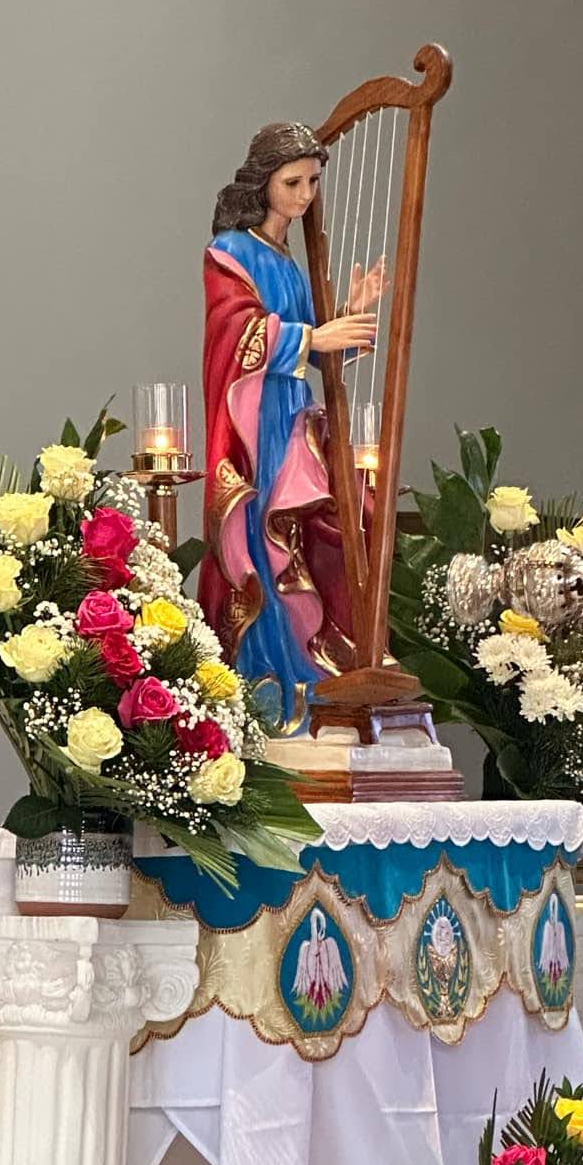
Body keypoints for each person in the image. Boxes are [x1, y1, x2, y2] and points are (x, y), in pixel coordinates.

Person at [199, 122, 383, 718]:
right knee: (264, 535)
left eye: (312, 182)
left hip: (294, 416)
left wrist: (352, 316)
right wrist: (316, 335)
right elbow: (236, 334)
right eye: (293, 181)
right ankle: (264, 685)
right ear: (265, 181)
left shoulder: (291, 263)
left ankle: (307, 676)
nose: (305, 195)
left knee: (299, 537)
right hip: (257, 424)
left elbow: (317, 345)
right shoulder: (230, 251)